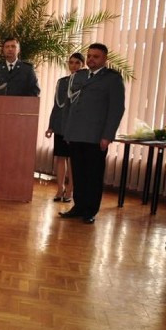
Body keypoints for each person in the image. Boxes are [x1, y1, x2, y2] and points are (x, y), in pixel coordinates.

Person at [60, 43, 125, 224]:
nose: (90, 60)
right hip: (75, 134)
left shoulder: (112, 79)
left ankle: (90, 210)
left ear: (105, 59)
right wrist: (67, 131)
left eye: (95, 57)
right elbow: (69, 106)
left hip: (95, 137)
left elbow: (116, 109)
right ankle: (79, 206)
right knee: (78, 174)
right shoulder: (79, 76)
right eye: (89, 56)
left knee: (93, 175)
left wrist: (107, 135)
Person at [45, 52, 84, 202]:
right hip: (61, 126)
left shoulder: (85, 82)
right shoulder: (62, 82)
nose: (73, 66)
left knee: (73, 160)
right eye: (71, 62)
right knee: (60, 158)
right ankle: (59, 189)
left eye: (77, 63)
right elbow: (57, 105)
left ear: (83, 65)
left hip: (76, 128)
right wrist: (51, 126)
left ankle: (70, 191)